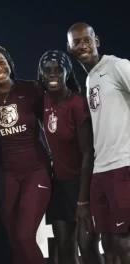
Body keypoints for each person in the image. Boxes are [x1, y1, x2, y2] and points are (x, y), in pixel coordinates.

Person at [0, 45, 51, 264]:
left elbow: (52, 126)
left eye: (1, 62)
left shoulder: (32, 89)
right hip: (7, 174)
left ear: (10, 62)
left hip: (36, 170)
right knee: (14, 240)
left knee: (25, 236)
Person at [68, 22, 130, 264]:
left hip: (123, 166)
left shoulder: (117, 66)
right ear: (70, 48)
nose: (83, 45)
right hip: (101, 171)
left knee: (124, 240)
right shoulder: (90, 78)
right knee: (108, 241)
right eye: (77, 42)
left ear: (97, 41)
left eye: (87, 40)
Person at [38, 50, 102, 264]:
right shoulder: (43, 101)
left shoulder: (77, 103)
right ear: (42, 74)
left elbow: (88, 153)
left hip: (83, 185)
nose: (53, 75)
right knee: (65, 248)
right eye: (48, 71)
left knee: (88, 247)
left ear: (67, 73)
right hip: (59, 186)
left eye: (59, 70)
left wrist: (83, 199)